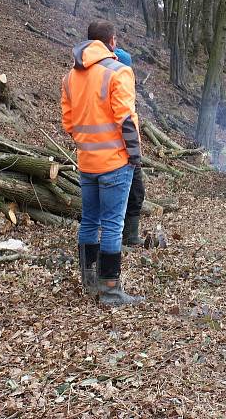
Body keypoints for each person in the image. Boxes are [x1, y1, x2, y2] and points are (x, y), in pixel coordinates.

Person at [61, 20, 144, 306]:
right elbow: (126, 119)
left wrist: (87, 144)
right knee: (112, 225)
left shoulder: (70, 76)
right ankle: (110, 290)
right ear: (111, 41)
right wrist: (134, 156)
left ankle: (88, 282)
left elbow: (68, 123)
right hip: (115, 162)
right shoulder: (119, 72)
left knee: (89, 221)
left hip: (87, 162)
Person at [113, 46, 145, 247]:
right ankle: (125, 239)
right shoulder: (117, 85)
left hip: (125, 150)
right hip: (121, 153)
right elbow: (124, 120)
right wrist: (134, 154)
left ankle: (130, 236)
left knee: (136, 193)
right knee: (130, 194)